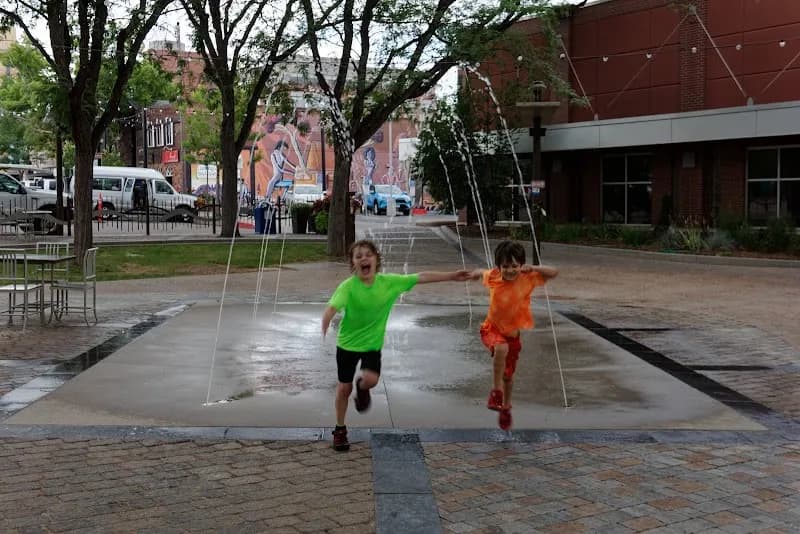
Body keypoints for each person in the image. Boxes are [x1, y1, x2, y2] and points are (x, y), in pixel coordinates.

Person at [322, 239, 472, 451]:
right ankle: (339, 429)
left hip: (371, 345)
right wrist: (325, 321)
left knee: (371, 380)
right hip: (347, 345)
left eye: (368, 254)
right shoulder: (348, 287)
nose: (364, 258)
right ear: (353, 264)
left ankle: (362, 387)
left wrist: (451, 276)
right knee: (343, 388)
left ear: (376, 259)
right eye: (358, 256)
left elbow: (420, 277)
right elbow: (332, 307)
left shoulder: (389, 282)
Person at [467, 240, 558, 431]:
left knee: (508, 376)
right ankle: (495, 392)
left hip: (513, 336)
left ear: (521, 265)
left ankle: (506, 407)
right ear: (498, 267)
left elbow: (554, 272)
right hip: (490, 329)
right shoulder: (493, 277)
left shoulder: (528, 278)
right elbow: (479, 272)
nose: (509, 270)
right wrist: (470, 274)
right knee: (501, 347)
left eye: (514, 266)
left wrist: (532, 267)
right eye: (505, 266)